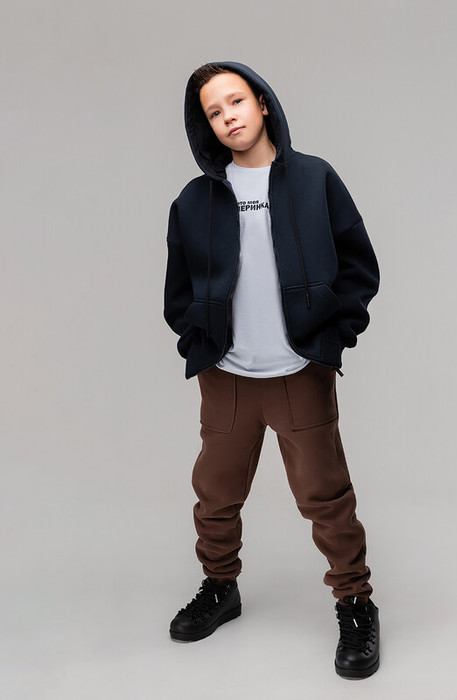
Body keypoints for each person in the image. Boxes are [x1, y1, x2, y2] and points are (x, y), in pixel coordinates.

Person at [163, 60, 381, 679]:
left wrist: (334, 336)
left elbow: (360, 266)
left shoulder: (315, 180)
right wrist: (200, 342)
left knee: (325, 497)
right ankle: (220, 587)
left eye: (235, 101)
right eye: (213, 111)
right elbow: (178, 289)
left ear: (261, 103)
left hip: (299, 373)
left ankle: (355, 603)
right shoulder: (195, 200)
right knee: (215, 494)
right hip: (227, 378)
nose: (228, 117)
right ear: (206, 126)